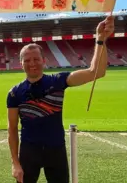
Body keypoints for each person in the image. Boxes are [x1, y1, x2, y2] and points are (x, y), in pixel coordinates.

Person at [7, 15, 115, 183]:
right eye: (27, 60)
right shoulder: (14, 93)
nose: (32, 63)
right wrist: (15, 163)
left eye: (36, 59)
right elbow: (12, 129)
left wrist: (100, 40)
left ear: (44, 60)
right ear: (21, 64)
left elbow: (97, 72)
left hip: (56, 150)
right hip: (29, 152)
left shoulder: (58, 81)